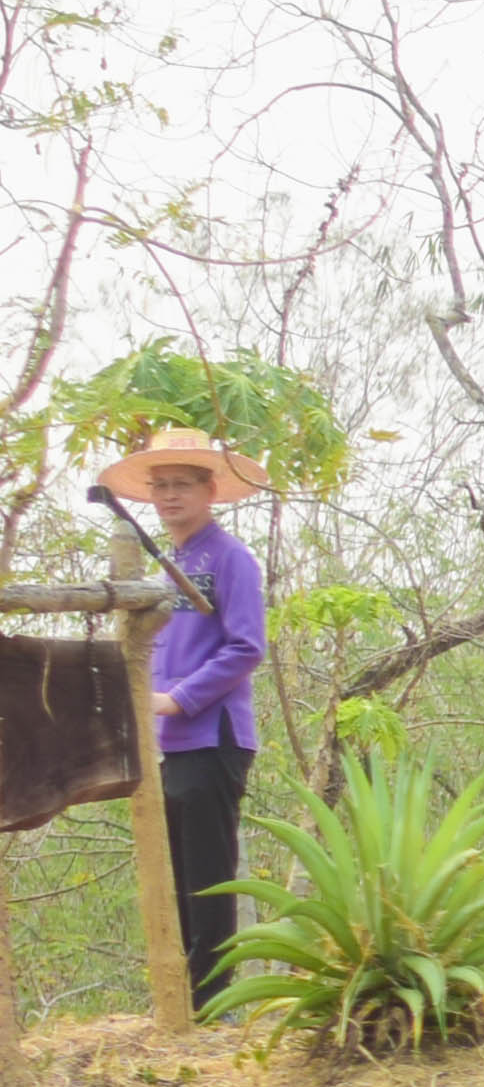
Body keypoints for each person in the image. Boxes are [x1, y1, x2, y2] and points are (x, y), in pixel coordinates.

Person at [101, 427, 268, 1010]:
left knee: (207, 873)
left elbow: (247, 646)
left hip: (213, 733)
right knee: (174, 876)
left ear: (210, 489)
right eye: (161, 486)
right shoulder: (165, 562)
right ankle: (184, 1004)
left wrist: (181, 697)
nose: (170, 497)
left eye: (182, 485)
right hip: (166, 742)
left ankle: (214, 1004)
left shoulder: (231, 557)